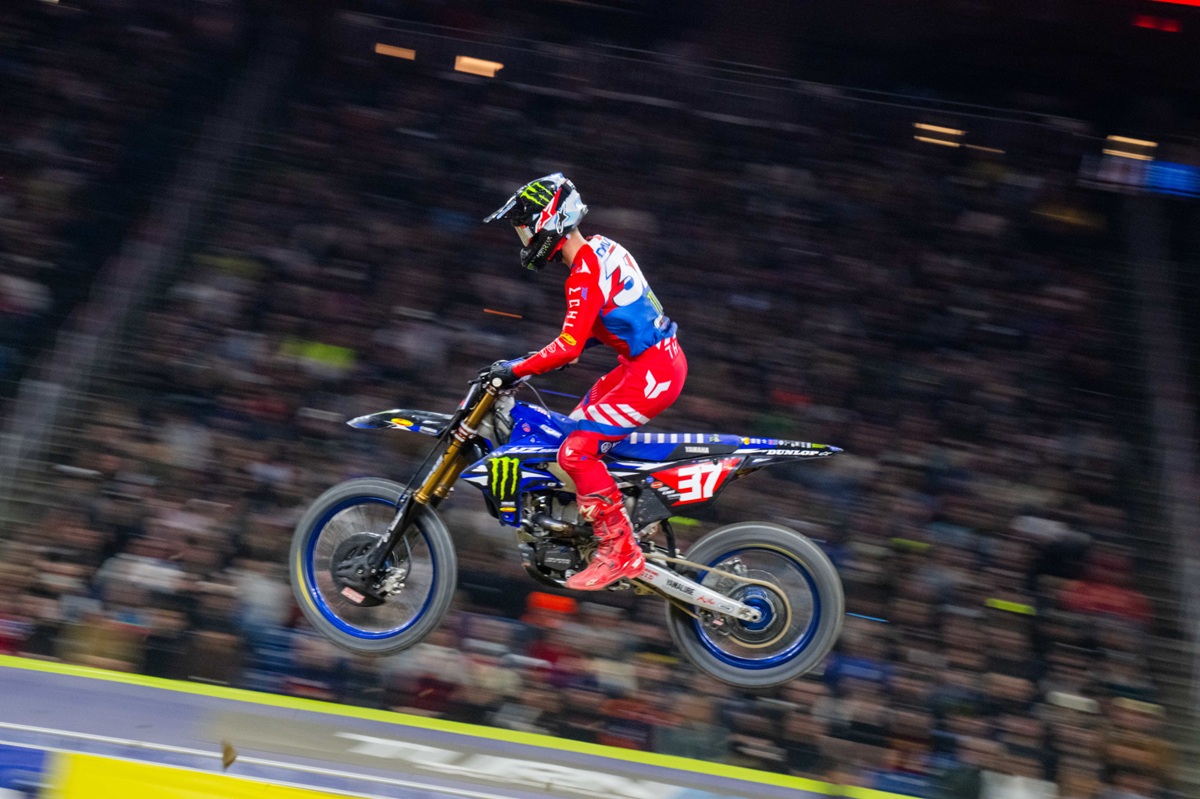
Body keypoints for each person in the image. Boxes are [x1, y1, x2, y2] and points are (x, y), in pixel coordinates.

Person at [483, 173, 687, 590]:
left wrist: (515, 370)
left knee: (575, 454)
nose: (524, 238)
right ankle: (612, 517)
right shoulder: (603, 248)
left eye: (525, 228)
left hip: (652, 373)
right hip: (647, 364)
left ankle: (620, 550)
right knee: (572, 432)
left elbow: (570, 346)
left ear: (550, 222)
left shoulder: (582, 273)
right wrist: (530, 362)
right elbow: (605, 325)